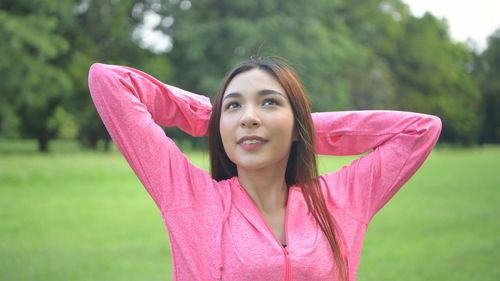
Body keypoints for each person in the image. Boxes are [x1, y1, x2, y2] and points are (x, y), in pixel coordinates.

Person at [88, 59, 441, 281]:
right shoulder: (190, 198)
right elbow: (108, 80)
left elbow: (420, 130)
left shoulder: (342, 199)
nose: (250, 117)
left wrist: (301, 129)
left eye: (269, 102)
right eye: (234, 106)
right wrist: (205, 117)